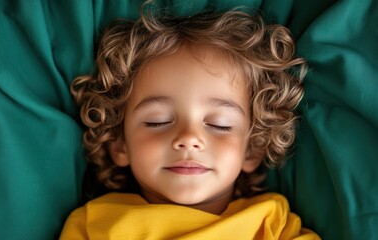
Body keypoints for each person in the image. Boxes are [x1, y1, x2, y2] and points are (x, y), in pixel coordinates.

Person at [60, 5, 320, 240]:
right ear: (119, 143)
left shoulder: (272, 223)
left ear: (252, 147)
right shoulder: (95, 224)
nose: (188, 138)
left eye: (220, 124)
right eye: (157, 121)